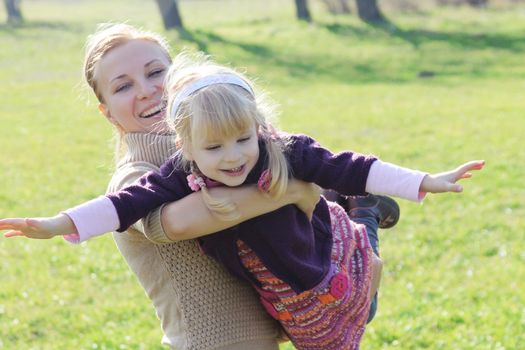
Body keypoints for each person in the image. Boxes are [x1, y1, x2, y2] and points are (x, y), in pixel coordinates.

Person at [0, 52, 484, 349]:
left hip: (324, 252)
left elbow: (353, 165)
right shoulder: (174, 170)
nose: (231, 158)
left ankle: (364, 219)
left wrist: (424, 181)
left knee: (356, 295)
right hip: (287, 286)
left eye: (242, 141)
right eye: (213, 148)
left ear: (256, 127)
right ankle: (366, 215)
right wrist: (57, 223)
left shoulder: (281, 145)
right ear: (185, 144)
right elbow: (126, 204)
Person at [3, 23, 331, 350]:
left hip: (273, 328)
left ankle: (365, 216)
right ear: (108, 114)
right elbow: (178, 222)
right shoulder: (133, 174)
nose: (146, 90)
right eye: (123, 87)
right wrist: (290, 191)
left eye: (155, 72)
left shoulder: (216, 152)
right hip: (211, 341)